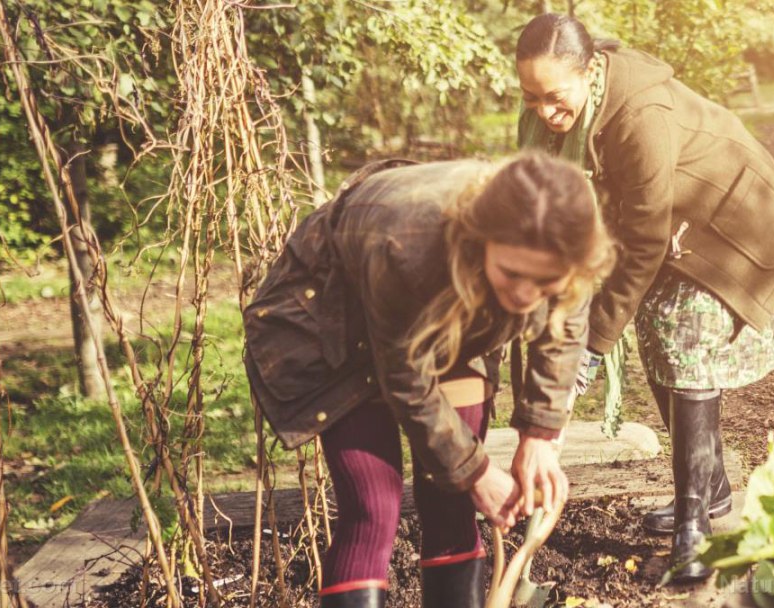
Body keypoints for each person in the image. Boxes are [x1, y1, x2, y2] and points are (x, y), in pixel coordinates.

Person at [514, 14, 774, 584]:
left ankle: (695, 531)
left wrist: (593, 347)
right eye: (530, 97)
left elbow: (646, 239)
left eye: (555, 97)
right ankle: (713, 491)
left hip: (734, 221)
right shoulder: (558, 116)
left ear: (589, 71)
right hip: (673, 224)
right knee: (659, 340)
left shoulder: (638, 115)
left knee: (682, 345)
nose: (543, 113)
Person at [243, 152, 616, 607]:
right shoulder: (409, 246)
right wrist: (477, 470)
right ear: (482, 241)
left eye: (543, 282)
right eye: (513, 273)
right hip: (333, 322)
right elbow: (407, 378)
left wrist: (538, 434)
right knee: (372, 509)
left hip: (445, 315)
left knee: (450, 496)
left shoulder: (563, 244)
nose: (523, 296)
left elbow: (564, 329)